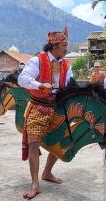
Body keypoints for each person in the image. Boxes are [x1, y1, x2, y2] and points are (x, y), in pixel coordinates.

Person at [18, 27, 73, 199]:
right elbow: (22, 79)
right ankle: (35, 183)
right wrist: (39, 85)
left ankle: (47, 172)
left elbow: (71, 85)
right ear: (55, 45)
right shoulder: (37, 61)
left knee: (60, 142)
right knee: (34, 143)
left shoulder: (66, 65)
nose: (66, 48)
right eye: (64, 45)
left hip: (57, 107)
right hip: (38, 107)